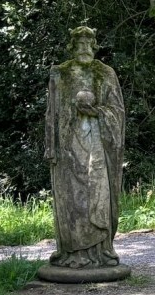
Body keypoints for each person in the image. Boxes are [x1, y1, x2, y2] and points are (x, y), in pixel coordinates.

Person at [44, 26, 125, 269]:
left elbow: (117, 112)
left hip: (97, 147)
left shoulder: (105, 73)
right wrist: (51, 145)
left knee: (97, 195)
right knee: (72, 201)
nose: (84, 49)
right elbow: (52, 113)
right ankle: (73, 254)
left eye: (89, 44)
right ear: (72, 46)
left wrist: (97, 112)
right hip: (68, 148)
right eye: (79, 44)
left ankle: (101, 252)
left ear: (95, 46)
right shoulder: (60, 73)